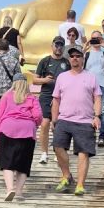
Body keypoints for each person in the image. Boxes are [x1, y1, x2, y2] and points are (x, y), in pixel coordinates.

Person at [51, 46, 102, 197]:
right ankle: (66, 175)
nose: (75, 58)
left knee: (83, 153)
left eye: (78, 56)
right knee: (58, 147)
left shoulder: (91, 76)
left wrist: (97, 116)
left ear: (83, 59)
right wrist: (54, 119)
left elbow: (98, 97)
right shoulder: (62, 77)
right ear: (68, 59)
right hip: (64, 118)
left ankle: (80, 184)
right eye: (72, 56)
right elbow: (56, 99)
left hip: (85, 120)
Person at [0, 74, 43, 202]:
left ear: (13, 83)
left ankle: (10, 189)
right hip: (27, 130)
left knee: (7, 161)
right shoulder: (32, 98)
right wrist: (33, 123)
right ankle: (19, 192)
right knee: (23, 163)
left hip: (8, 128)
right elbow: (38, 116)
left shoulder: (6, 96)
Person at [34, 35, 69, 165]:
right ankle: (44, 153)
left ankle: (58, 151)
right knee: (44, 123)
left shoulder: (67, 62)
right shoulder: (44, 61)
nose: (58, 47)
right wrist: (45, 80)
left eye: (61, 45)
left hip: (61, 97)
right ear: (52, 45)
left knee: (59, 126)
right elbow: (35, 79)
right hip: (46, 95)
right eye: (57, 45)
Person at [0, 32, 23, 119]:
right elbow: (18, 77)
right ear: (8, 48)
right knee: (6, 117)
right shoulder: (14, 61)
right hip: (8, 92)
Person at [85, 33, 104, 147]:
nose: (96, 40)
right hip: (87, 85)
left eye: (98, 38)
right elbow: (76, 65)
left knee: (103, 111)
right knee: (89, 110)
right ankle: (90, 134)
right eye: (93, 38)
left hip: (102, 84)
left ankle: (102, 136)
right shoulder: (86, 53)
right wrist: (83, 49)